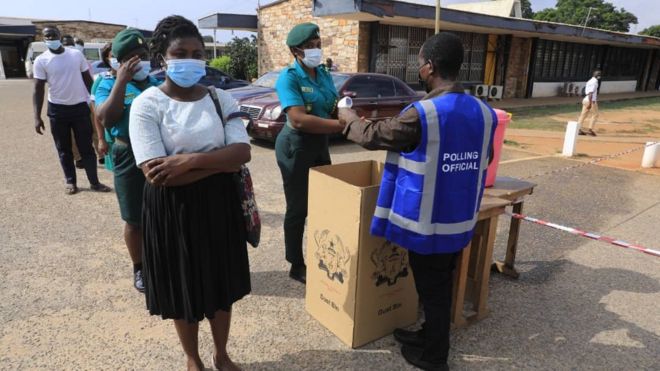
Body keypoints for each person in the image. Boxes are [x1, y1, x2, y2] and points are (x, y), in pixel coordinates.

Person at [339, 32, 497, 371]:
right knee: (438, 285)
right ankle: (427, 335)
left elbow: (373, 136)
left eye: (420, 63)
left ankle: (434, 356)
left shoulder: (424, 113)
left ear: (430, 67)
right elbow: (485, 158)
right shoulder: (484, 112)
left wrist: (349, 118)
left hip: (429, 225)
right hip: (460, 220)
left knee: (434, 292)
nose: (418, 69)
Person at [129, 15, 251, 371]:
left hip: (219, 207)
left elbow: (242, 154)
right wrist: (218, 162)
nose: (191, 59)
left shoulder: (220, 98)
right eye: (181, 52)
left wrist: (187, 162)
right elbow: (156, 175)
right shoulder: (147, 105)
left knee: (221, 285)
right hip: (172, 210)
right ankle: (192, 358)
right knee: (182, 288)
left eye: (197, 53)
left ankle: (221, 353)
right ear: (163, 58)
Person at [274, 23, 346, 284]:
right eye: (310, 46)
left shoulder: (323, 73)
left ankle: (321, 253)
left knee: (322, 202)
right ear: (296, 50)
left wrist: (345, 110)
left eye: (318, 45)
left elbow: (332, 103)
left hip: (319, 144)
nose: (316, 50)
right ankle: (295, 263)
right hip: (295, 145)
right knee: (298, 207)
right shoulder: (288, 78)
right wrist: (341, 125)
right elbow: (300, 120)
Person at [95, 29, 161, 293]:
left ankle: (162, 261)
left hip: (158, 154)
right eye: (132, 57)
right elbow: (106, 118)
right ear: (120, 62)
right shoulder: (107, 84)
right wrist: (121, 81)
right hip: (128, 154)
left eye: (143, 56)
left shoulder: (156, 84)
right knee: (134, 218)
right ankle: (140, 268)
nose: (140, 61)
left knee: (161, 211)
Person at [32, 25, 111, 195]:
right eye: (47, 36)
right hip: (57, 110)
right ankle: (70, 182)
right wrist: (37, 117)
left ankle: (95, 182)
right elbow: (38, 89)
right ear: (44, 39)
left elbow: (88, 81)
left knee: (87, 148)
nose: (51, 38)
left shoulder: (75, 55)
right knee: (64, 149)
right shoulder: (41, 60)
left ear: (60, 36)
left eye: (54, 35)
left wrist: (97, 103)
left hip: (79, 108)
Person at [90, 42, 114, 170]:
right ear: (106, 58)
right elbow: (97, 114)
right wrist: (101, 139)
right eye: (113, 55)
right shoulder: (101, 80)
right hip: (112, 139)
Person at [578, 69, 601, 136]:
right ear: (597, 76)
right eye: (599, 75)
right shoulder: (594, 82)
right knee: (595, 114)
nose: (600, 76)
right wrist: (590, 103)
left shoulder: (590, 81)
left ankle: (578, 129)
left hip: (586, 100)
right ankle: (590, 130)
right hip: (590, 100)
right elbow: (590, 93)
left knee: (583, 115)